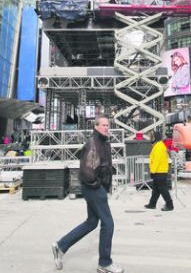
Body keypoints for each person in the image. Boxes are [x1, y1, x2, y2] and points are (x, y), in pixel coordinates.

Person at [52, 116, 123, 273]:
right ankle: (104, 263)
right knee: (108, 224)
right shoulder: (94, 143)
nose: (106, 127)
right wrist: (99, 187)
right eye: (103, 125)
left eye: (107, 125)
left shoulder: (103, 142)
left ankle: (60, 246)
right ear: (96, 126)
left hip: (95, 188)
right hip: (94, 189)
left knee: (91, 222)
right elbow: (88, 171)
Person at [145, 131, 174, 211]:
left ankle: (169, 205)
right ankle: (152, 204)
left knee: (163, 189)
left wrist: (152, 171)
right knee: (156, 189)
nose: (151, 138)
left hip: (159, 172)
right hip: (159, 171)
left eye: (152, 137)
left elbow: (156, 160)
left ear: (156, 137)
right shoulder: (158, 145)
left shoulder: (159, 146)